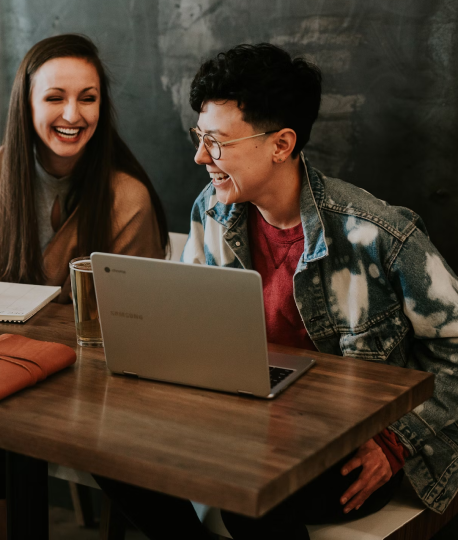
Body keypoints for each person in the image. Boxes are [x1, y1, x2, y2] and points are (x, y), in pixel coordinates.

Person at [95, 43, 458, 539]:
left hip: (343, 449)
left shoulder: (378, 236)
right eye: (199, 137)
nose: (201, 156)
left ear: (281, 144)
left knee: (252, 484)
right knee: (106, 449)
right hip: (242, 426)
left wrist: (396, 442)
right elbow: (189, 333)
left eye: (217, 142)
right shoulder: (213, 210)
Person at [0, 34, 169, 540]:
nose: (73, 113)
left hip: (86, 388)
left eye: (88, 98)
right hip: (0, 371)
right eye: (55, 97)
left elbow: (134, 326)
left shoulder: (126, 198)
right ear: (27, 104)